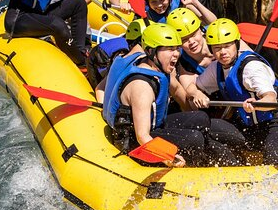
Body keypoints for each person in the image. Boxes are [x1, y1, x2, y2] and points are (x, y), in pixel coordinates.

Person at [102, 23, 240, 167]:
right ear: (151, 51)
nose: (176, 54)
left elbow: (177, 90)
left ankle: (226, 160)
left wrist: (192, 117)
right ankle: (198, 169)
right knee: (194, 139)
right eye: (169, 49)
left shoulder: (157, 68)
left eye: (176, 49)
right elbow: (142, 136)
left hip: (156, 126)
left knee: (201, 118)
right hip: (135, 142)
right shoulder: (141, 87)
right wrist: (168, 158)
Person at [185, 18, 278, 165]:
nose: (223, 52)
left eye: (227, 46)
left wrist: (257, 104)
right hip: (250, 128)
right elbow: (191, 88)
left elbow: (270, 98)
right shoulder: (216, 68)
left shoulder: (252, 68)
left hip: (276, 124)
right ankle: (233, 164)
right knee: (203, 126)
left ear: (236, 44)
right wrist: (197, 93)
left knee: (274, 161)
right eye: (217, 48)